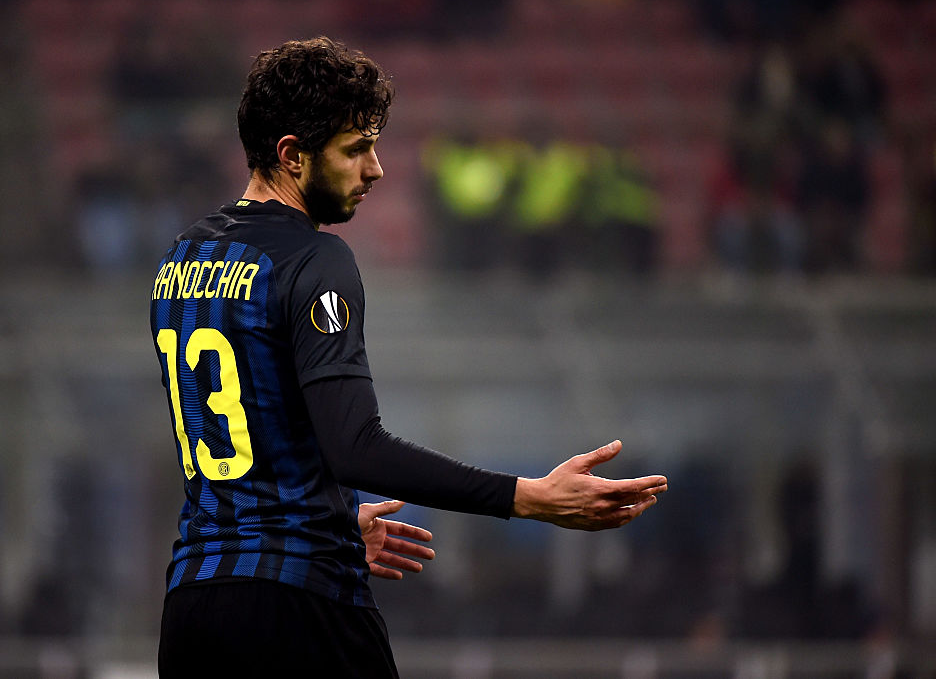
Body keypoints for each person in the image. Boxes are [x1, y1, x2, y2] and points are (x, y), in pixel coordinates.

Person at [151, 36, 668, 678]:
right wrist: (527, 497)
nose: (375, 169)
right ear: (292, 155)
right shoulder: (315, 260)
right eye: (355, 149)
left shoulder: (181, 258)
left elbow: (253, 429)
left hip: (193, 609)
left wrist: (331, 517)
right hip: (299, 602)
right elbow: (355, 448)